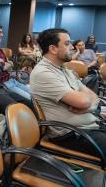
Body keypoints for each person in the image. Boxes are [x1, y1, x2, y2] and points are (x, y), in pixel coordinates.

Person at [30, 28, 106, 156]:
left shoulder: (63, 69)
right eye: (67, 43)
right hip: (73, 134)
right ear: (53, 49)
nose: (72, 47)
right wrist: (89, 104)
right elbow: (84, 101)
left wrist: (90, 106)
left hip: (90, 126)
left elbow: (92, 96)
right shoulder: (44, 73)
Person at [0, 23, 31, 101]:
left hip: (11, 79)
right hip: (2, 83)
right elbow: (1, 67)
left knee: (36, 96)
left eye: (1, 32)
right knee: (30, 99)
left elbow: (9, 64)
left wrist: (7, 63)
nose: (2, 35)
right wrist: (5, 64)